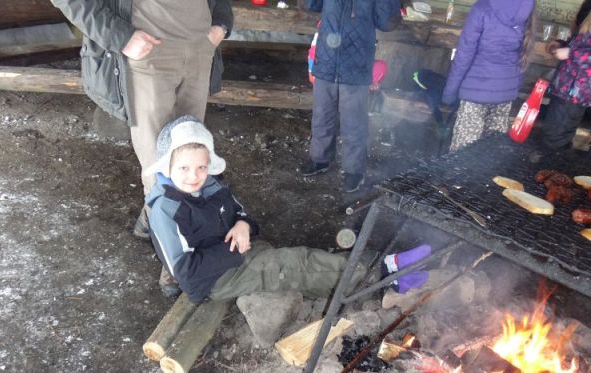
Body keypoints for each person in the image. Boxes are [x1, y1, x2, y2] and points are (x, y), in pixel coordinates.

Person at [146, 115, 431, 303]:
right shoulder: (167, 209)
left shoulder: (210, 186)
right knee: (292, 265)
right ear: (167, 166)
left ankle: (364, 278)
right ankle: (384, 276)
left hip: (238, 255)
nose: (194, 175)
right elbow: (185, 272)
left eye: (201, 167)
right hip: (214, 282)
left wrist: (243, 226)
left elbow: (243, 216)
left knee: (298, 262)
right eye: (183, 167)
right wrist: (237, 249)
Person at [49, 0, 233, 238]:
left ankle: (159, 221)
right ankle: (173, 250)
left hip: (200, 46)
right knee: (156, 160)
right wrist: (120, 36)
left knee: (192, 152)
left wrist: (221, 24)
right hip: (149, 51)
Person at [299, 0, 401, 193]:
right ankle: (320, 159)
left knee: (354, 122)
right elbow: (310, 4)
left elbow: (387, 22)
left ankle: (354, 171)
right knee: (322, 115)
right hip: (326, 61)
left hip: (357, 65)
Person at [442, 0, 535, 152]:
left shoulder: (482, 8)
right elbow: (524, 56)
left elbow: (464, 55)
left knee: (462, 156)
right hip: (505, 94)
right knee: (490, 153)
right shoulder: (526, 7)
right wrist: (512, 88)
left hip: (476, 93)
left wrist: (449, 93)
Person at [541, 3, 591, 152]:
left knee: (555, 138)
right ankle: (552, 168)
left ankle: (551, 169)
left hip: (576, 92)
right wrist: (561, 45)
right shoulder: (587, 8)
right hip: (567, 89)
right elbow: (582, 45)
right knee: (554, 133)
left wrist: (570, 53)